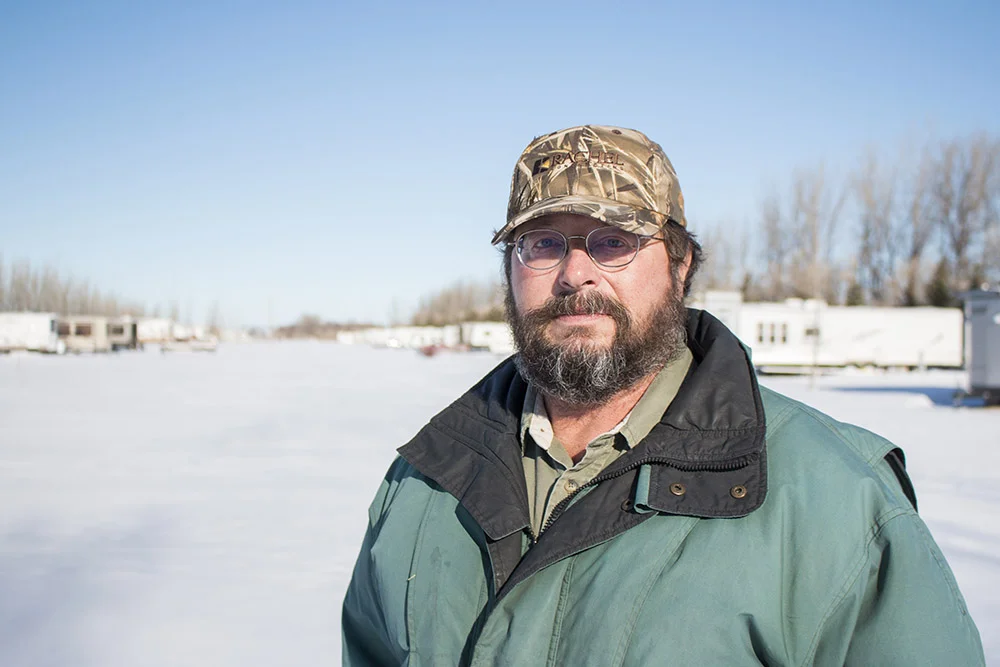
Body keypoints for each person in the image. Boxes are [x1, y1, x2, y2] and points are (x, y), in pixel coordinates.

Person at [342, 125, 984, 665]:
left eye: (613, 241)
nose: (574, 274)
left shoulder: (838, 498)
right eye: (542, 244)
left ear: (680, 265)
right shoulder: (424, 483)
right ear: (511, 270)